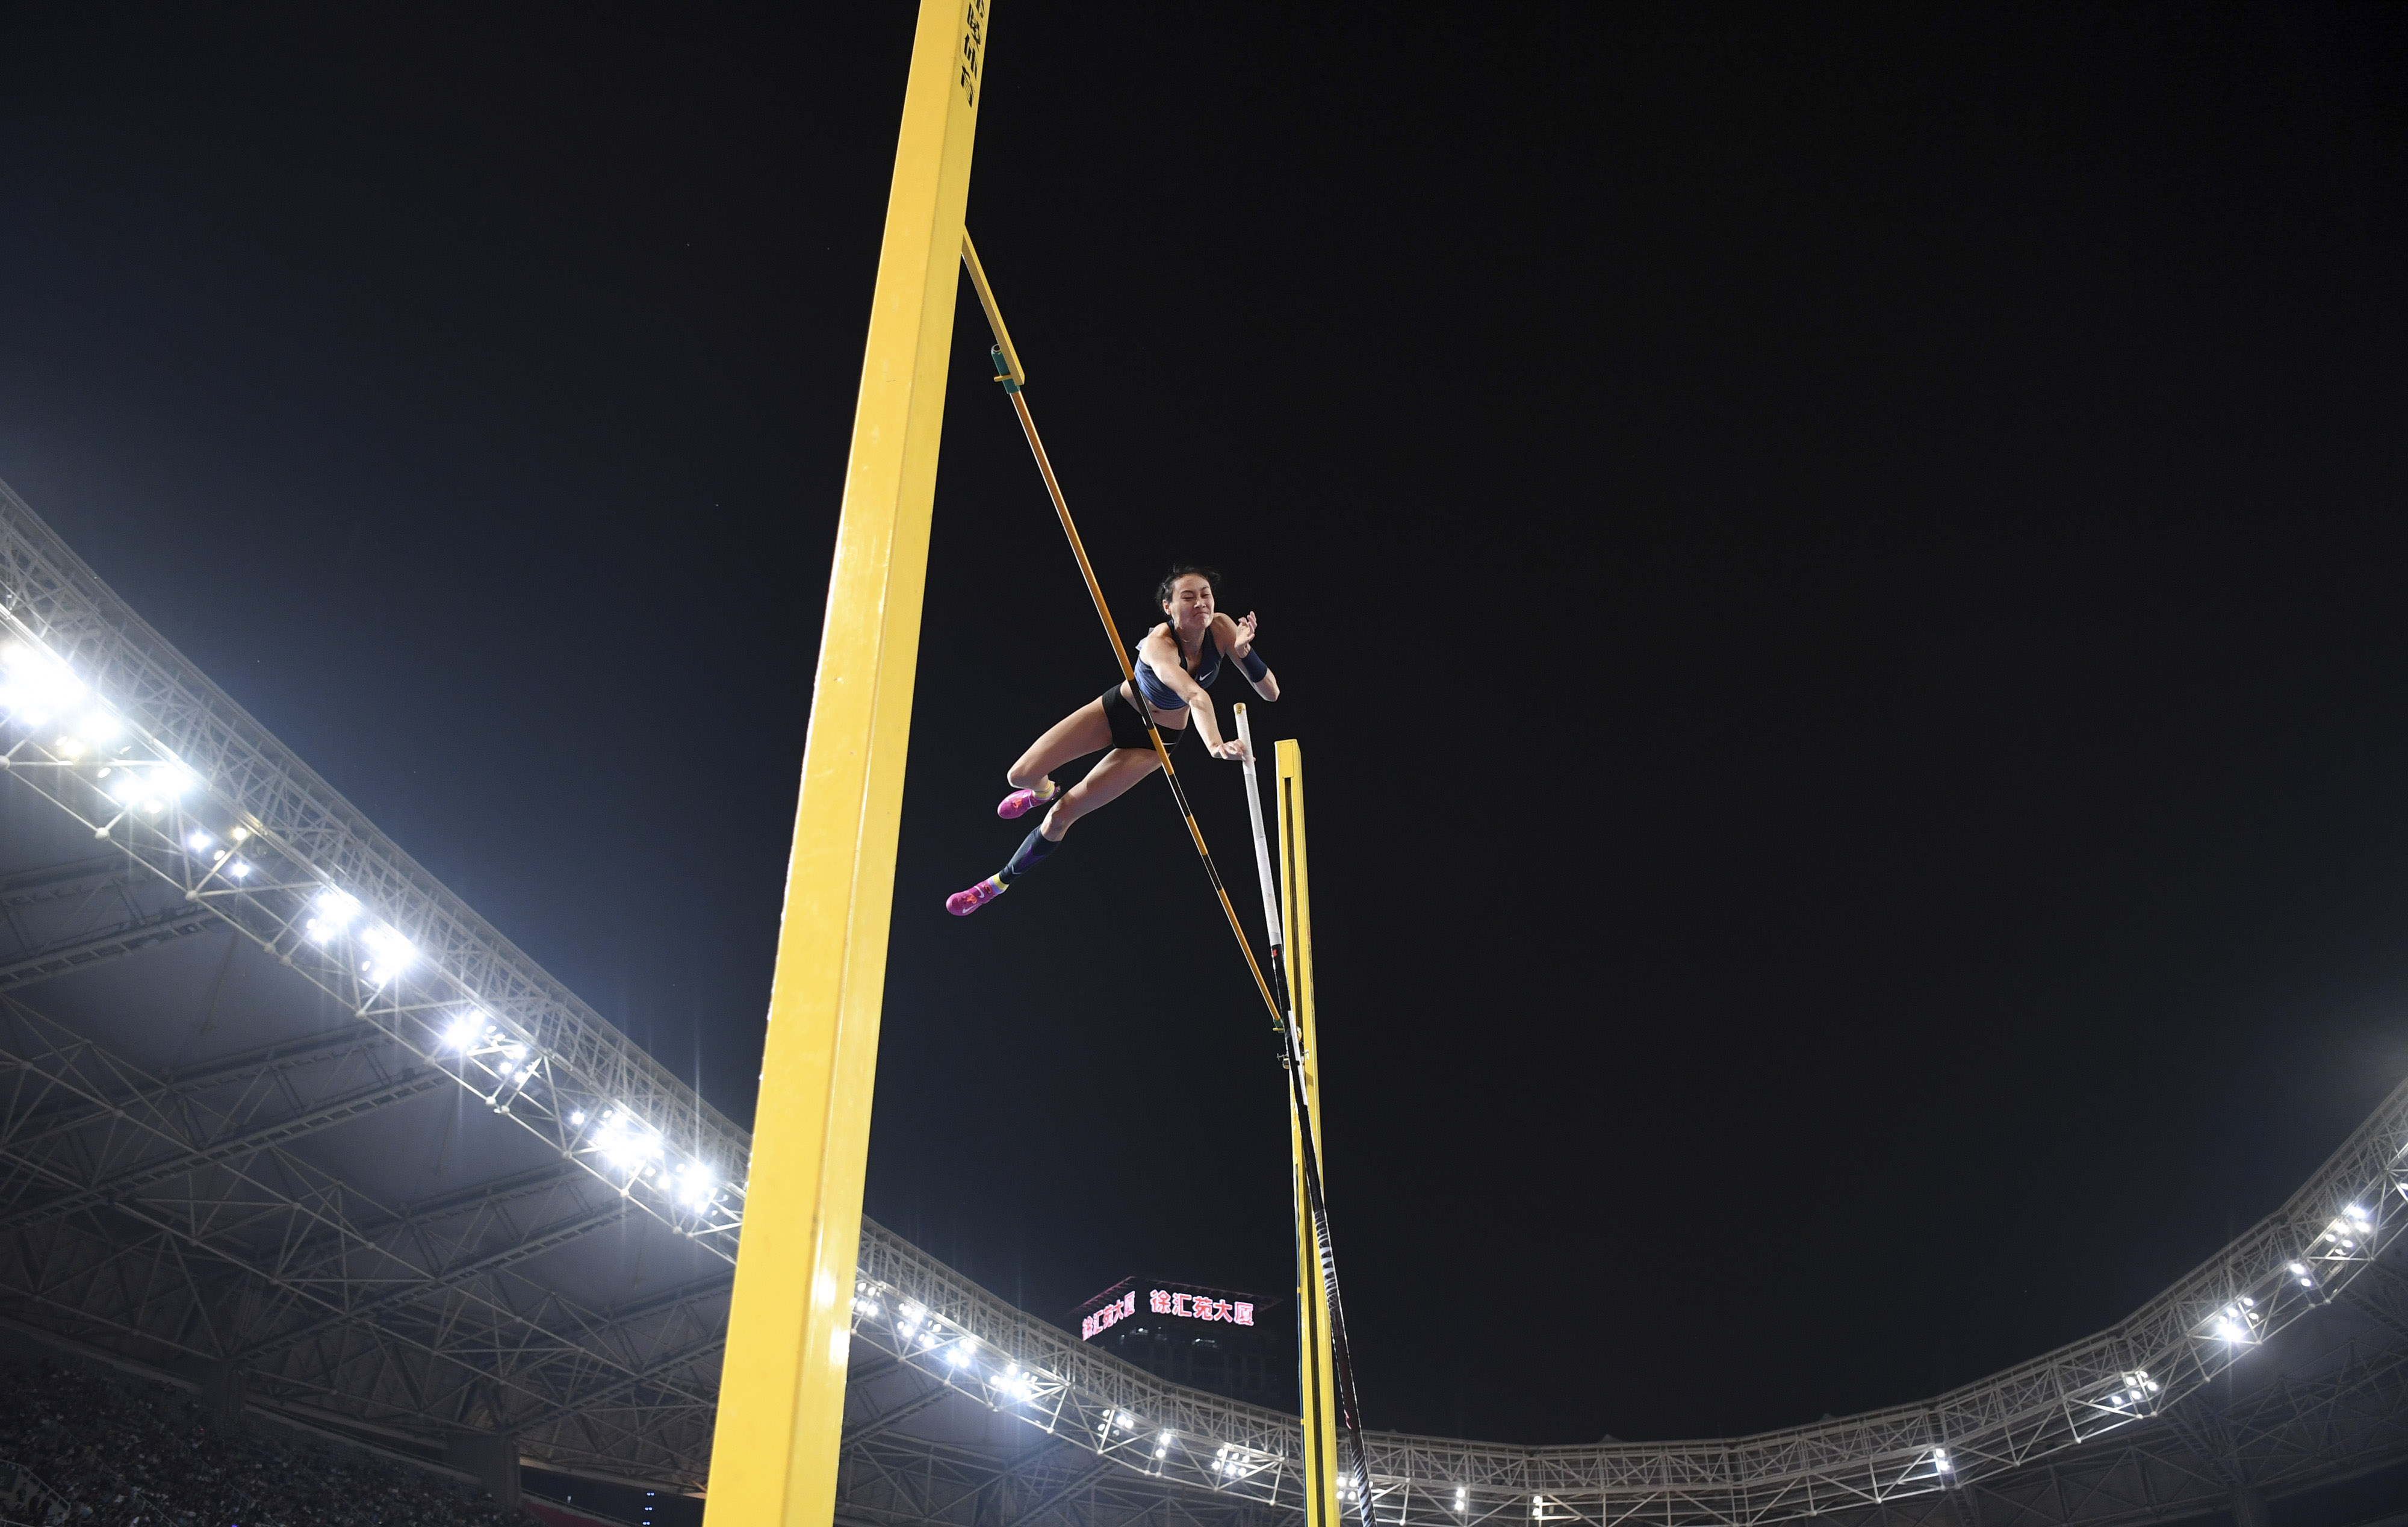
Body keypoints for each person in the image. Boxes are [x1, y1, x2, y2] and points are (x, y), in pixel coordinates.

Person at [947, 564, 1279, 915]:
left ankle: (995, 884)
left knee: (1062, 816)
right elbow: (1196, 696)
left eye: (1205, 595)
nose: (1200, 603)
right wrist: (1214, 744)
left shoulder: (1224, 629)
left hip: (1154, 743)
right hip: (1116, 712)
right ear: (1168, 607)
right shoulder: (1157, 645)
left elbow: (1271, 693)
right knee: (1019, 776)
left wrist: (1244, 654)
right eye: (1188, 597)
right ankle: (1042, 790)